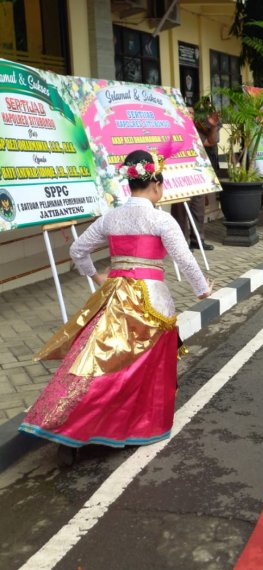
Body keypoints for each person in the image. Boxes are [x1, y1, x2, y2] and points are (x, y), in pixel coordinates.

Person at [20, 150, 212, 463]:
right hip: (152, 302)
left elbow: (77, 249)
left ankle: (70, 427)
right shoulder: (160, 218)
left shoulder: (112, 216)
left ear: (130, 182)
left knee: (97, 365)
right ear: (156, 185)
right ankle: (131, 426)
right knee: (139, 371)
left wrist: (97, 276)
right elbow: (185, 259)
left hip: (113, 295)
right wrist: (203, 290)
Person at [172, 103, 216, 251]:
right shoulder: (174, 130)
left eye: (191, 112)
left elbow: (210, 142)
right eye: (187, 112)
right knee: (180, 210)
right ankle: (181, 243)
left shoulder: (195, 131)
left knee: (198, 208)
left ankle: (197, 239)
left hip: (197, 174)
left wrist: (213, 127)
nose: (190, 114)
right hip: (179, 175)